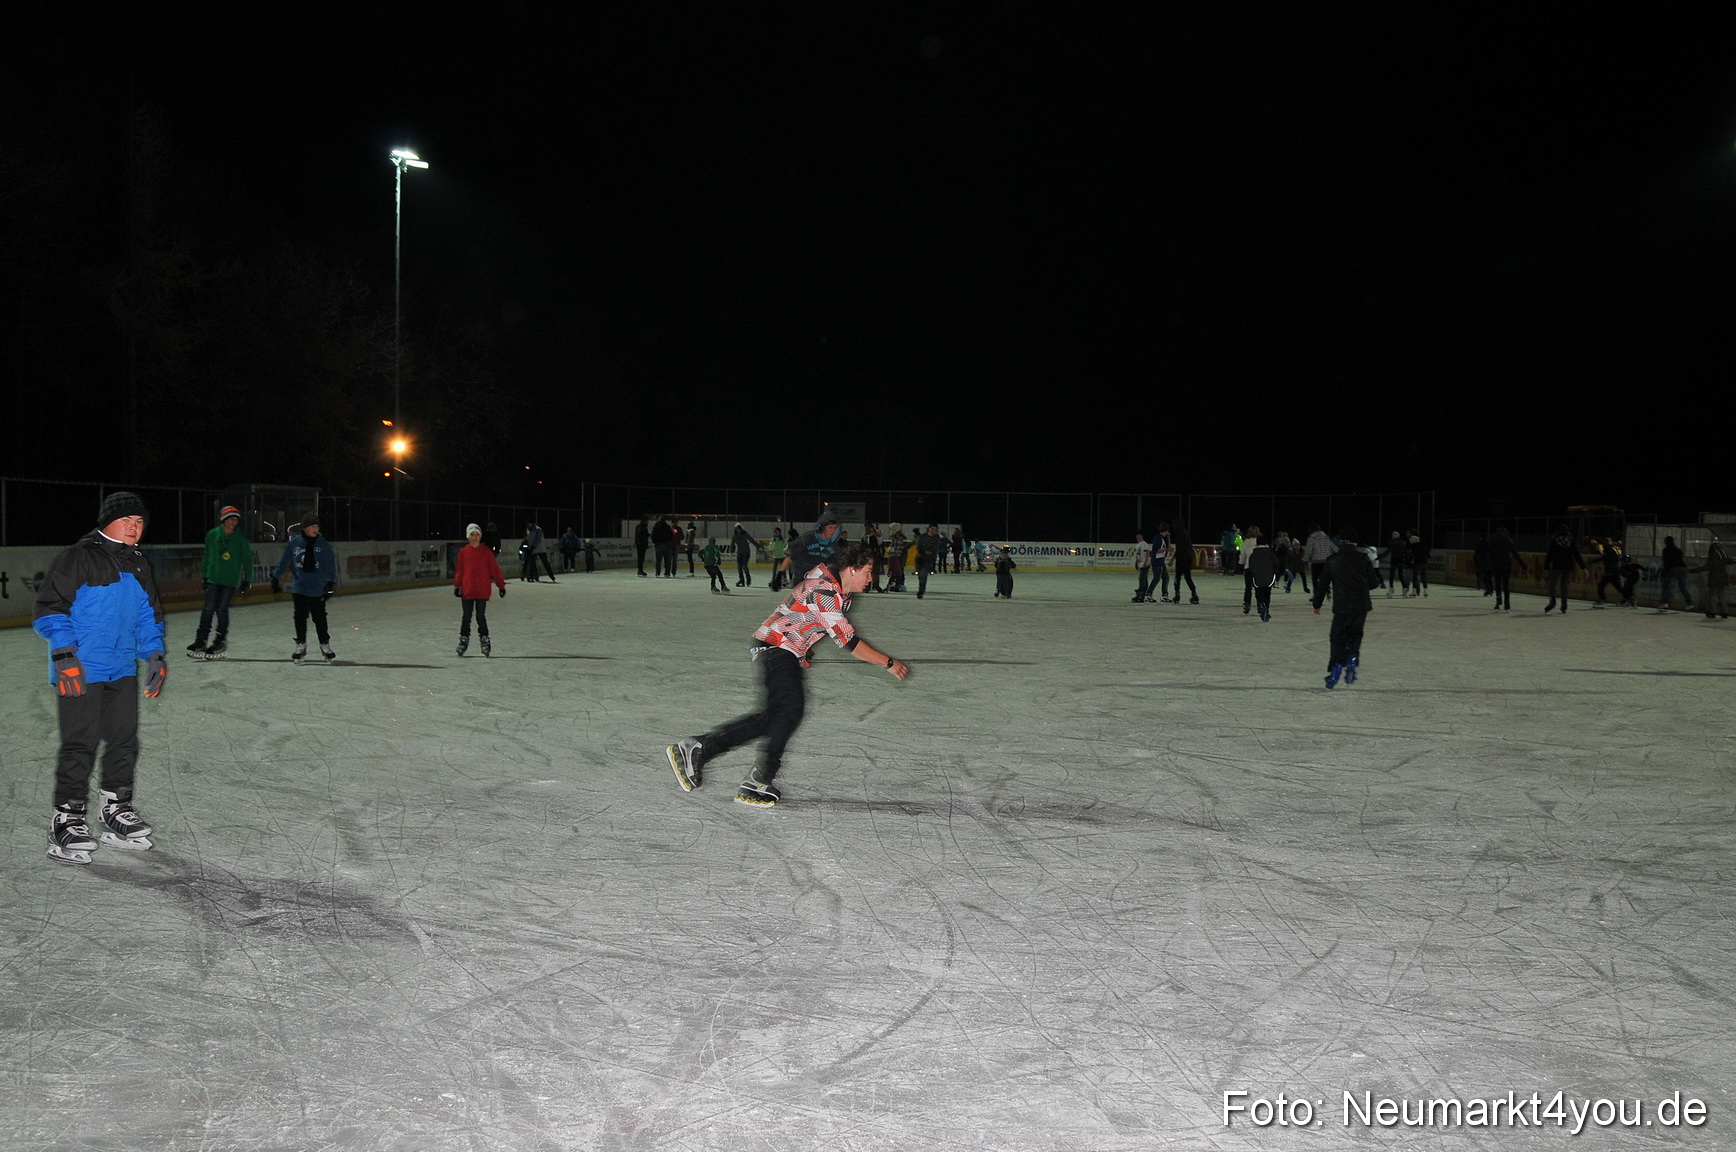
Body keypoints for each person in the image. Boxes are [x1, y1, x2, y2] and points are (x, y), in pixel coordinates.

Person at [665, 541, 910, 806]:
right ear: (852, 569)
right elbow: (848, 642)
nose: (871, 579)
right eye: (868, 572)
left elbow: (796, 605)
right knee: (788, 710)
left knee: (781, 714)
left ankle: (743, 770)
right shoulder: (825, 591)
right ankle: (709, 752)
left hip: (782, 648)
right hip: (777, 648)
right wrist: (888, 663)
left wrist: (802, 642)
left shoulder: (835, 590)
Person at [35, 491, 167, 865]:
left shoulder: (138, 562)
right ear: (106, 521)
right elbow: (49, 609)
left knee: (124, 740)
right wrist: (64, 653)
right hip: (80, 668)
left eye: (140, 522)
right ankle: (67, 817)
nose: (134, 528)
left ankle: (115, 809)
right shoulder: (77, 557)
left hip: (122, 667)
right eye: (127, 520)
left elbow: (148, 616)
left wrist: (154, 653)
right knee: (80, 742)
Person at [1311, 524, 1379, 689]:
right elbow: (1374, 583)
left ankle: (1335, 669)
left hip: (1342, 606)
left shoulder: (1332, 560)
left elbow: (1322, 584)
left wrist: (1317, 604)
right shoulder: (1363, 558)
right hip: (1361, 606)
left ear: (1341, 542)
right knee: (1355, 635)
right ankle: (1353, 658)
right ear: (1355, 542)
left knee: (1337, 638)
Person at [271, 511, 339, 663]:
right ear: (305, 528)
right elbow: (284, 561)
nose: (315, 528)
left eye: (317, 526)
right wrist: (276, 577)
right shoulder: (294, 543)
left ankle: (324, 644)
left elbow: (331, 565)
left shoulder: (324, 545)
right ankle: (301, 644)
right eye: (312, 526)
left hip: (317, 588)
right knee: (300, 617)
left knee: (320, 618)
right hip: (299, 587)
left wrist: (330, 582)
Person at [187, 504, 253, 659]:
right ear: (223, 520)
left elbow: (248, 560)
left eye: (236, 520)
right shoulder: (212, 535)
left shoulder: (240, 539)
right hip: (213, 578)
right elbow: (207, 555)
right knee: (208, 608)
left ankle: (220, 639)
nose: (233, 522)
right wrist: (204, 575)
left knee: (221, 609)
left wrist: (247, 579)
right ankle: (201, 640)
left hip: (229, 581)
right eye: (230, 519)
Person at [454, 523, 507, 656]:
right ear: (468, 536)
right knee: (466, 616)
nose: (474, 537)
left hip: (482, 590)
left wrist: (501, 585)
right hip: (468, 589)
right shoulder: (463, 553)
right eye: (472, 535)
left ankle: (484, 639)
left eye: (477, 534)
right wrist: (457, 585)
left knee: (480, 615)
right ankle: (463, 640)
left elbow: (495, 570)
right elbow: (460, 571)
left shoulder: (486, 552)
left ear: (480, 536)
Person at [779, 512, 843, 586]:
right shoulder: (806, 539)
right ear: (822, 527)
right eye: (830, 527)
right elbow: (790, 557)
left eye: (835, 528)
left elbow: (833, 563)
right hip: (801, 576)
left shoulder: (834, 546)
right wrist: (780, 574)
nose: (833, 531)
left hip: (818, 578)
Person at [1541, 523, 1585, 615]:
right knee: (1564, 586)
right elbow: (1576, 554)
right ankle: (1564, 605)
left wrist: (1546, 568)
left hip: (1558, 566)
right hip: (1569, 567)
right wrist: (1583, 567)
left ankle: (1552, 601)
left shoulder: (1555, 540)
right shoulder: (1570, 541)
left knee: (1552, 584)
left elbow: (1550, 554)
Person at [1241, 526, 1279, 622]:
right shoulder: (1266, 547)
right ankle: (1262, 605)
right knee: (1265, 589)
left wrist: (1241, 563)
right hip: (1266, 571)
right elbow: (1275, 562)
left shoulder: (1247, 542)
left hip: (1250, 568)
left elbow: (1243, 555)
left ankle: (1248, 603)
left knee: (1249, 588)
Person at [1689, 538, 1731, 620]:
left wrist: (1695, 570)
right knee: (1721, 594)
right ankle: (1725, 611)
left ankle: (1712, 611)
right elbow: (1728, 561)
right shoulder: (1722, 553)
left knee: (1712, 594)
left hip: (1714, 576)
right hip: (1723, 576)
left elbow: (1709, 566)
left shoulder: (1712, 554)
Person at [1488, 527, 1526, 611]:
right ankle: (1507, 603)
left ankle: (1498, 600)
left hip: (1497, 565)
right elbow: (1515, 554)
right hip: (1506, 564)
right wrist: (1522, 563)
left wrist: (1490, 564)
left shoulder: (1494, 542)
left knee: (1498, 583)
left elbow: (1490, 554)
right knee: (1505, 584)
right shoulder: (1508, 541)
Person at [1658, 535, 1693, 612]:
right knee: (1682, 587)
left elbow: (1666, 562)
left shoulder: (1666, 550)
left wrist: (1664, 572)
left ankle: (1665, 603)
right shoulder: (1678, 550)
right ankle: (1690, 604)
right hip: (1682, 568)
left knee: (1666, 585)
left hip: (1673, 568)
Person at [1300, 523, 1336, 597]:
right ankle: (1327, 589)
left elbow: (1308, 551)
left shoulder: (1311, 538)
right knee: (1325, 577)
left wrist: (1304, 559)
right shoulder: (1326, 537)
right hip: (1326, 562)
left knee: (1315, 579)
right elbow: (1333, 547)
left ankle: (1316, 594)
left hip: (1316, 562)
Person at [1170, 520, 1199, 604]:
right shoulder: (1187, 534)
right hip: (1188, 559)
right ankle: (1194, 594)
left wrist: (1172, 559)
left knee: (1177, 578)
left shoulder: (1179, 536)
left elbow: (1179, 549)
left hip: (1181, 559)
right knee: (1188, 577)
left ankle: (1177, 594)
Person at [915, 523, 944, 599]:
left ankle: (921, 591)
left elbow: (935, 549)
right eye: (932, 529)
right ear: (929, 529)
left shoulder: (937, 539)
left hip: (929, 559)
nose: (933, 531)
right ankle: (921, 587)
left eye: (935, 530)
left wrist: (930, 552)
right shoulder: (923, 536)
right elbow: (919, 546)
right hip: (920, 558)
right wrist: (923, 551)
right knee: (920, 575)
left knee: (923, 574)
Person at [1131, 532, 1154, 603]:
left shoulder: (1144, 544)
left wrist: (1145, 562)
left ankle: (1140, 594)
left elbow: (1147, 553)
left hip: (1145, 564)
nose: (1138, 538)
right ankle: (1143, 593)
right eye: (1137, 537)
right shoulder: (1138, 545)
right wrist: (1136, 562)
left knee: (1142, 579)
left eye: (1140, 537)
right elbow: (1138, 554)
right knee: (1144, 579)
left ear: (1142, 537)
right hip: (1141, 564)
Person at [884, 522, 907, 593]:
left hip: (897, 557)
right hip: (896, 556)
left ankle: (896, 585)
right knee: (896, 572)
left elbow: (898, 549)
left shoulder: (898, 537)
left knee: (896, 572)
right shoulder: (896, 536)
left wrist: (891, 551)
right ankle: (897, 585)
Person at [768, 527, 788, 591]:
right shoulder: (773, 540)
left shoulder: (782, 540)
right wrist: (771, 550)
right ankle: (773, 580)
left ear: (779, 532)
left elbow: (786, 545)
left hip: (782, 556)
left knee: (783, 569)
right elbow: (770, 546)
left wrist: (785, 550)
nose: (776, 533)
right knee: (774, 570)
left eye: (777, 532)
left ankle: (785, 580)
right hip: (776, 556)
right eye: (775, 532)